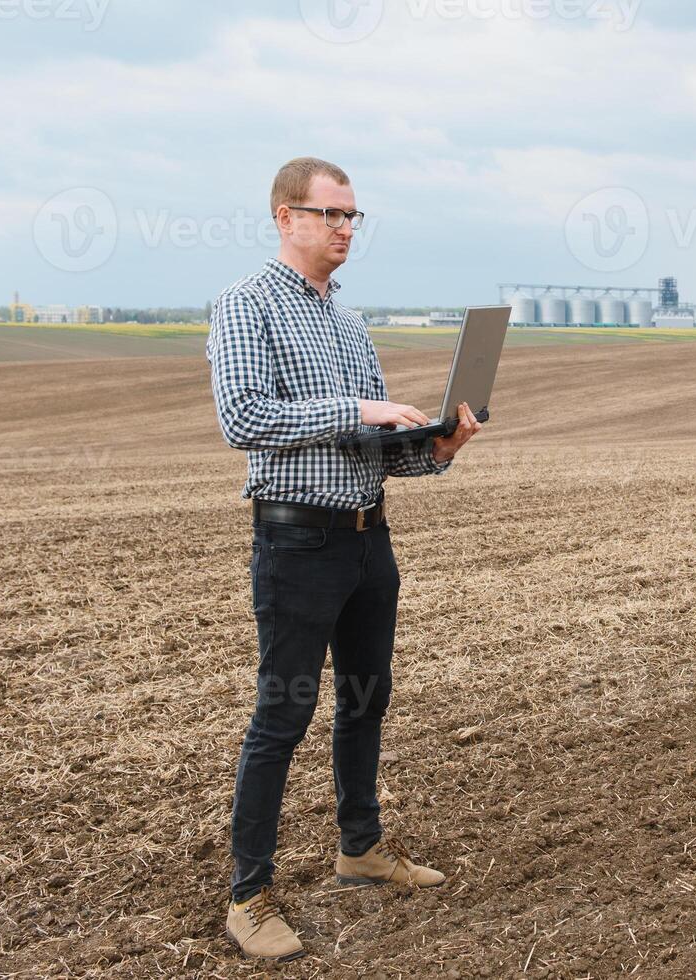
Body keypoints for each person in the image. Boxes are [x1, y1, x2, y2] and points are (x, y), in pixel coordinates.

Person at [206, 157, 482, 961]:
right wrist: (358, 406)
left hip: (369, 537)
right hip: (295, 542)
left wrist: (437, 446)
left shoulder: (350, 324)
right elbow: (244, 417)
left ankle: (360, 849)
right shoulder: (245, 305)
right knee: (281, 716)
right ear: (285, 217)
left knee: (367, 698)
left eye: (354, 216)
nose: (345, 229)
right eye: (331, 214)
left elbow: (372, 450)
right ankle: (248, 896)